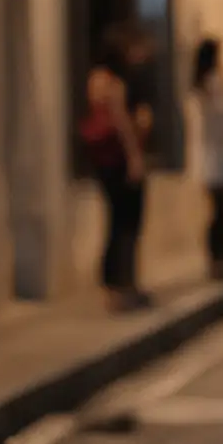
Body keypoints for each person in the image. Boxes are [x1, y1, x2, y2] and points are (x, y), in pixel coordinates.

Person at [80, 29, 149, 313]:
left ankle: (112, 284)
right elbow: (121, 122)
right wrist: (135, 157)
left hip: (102, 161)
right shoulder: (115, 83)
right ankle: (123, 285)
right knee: (127, 223)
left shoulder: (94, 80)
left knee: (113, 221)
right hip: (119, 160)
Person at [186, 37, 223, 279]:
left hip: (209, 154)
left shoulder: (198, 86)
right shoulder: (215, 83)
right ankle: (221, 259)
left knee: (219, 210)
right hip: (220, 154)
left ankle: (218, 259)